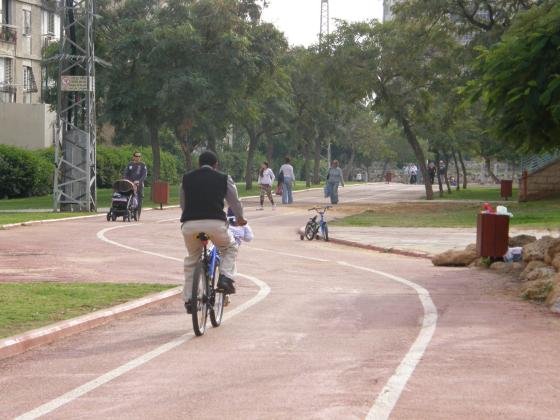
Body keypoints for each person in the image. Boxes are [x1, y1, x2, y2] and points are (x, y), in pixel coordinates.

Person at [179, 151, 246, 315]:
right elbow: (234, 201)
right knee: (229, 247)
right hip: (215, 224)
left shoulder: (187, 178)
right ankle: (225, 278)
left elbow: (183, 203)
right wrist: (240, 218)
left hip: (190, 225)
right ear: (216, 164)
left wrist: (190, 217)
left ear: (198, 164)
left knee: (192, 260)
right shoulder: (223, 178)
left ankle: (189, 299)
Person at [123, 151, 147, 219]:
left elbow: (144, 175)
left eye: (139, 156)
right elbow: (125, 174)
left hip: (139, 185)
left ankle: (137, 215)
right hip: (130, 184)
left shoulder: (142, 165)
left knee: (139, 200)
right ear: (133, 157)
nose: (138, 157)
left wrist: (139, 181)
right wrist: (129, 181)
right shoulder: (130, 164)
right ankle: (128, 212)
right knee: (129, 198)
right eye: (136, 156)